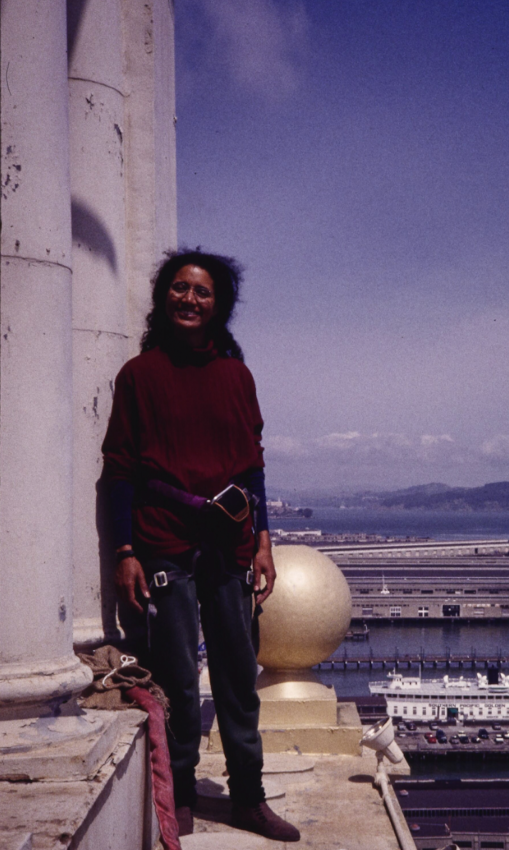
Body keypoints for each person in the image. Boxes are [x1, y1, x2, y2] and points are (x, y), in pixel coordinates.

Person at [102, 249, 300, 842]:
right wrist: (124, 552)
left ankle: (248, 798)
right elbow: (118, 470)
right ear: (165, 297)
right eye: (180, 289)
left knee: (239, 677)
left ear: (220, 305)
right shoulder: (140, 374)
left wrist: (264, 541)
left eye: (203, 292)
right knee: (179, 678)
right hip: (165, 541)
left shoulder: (237, 376)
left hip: (232, 546)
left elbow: (253, 466)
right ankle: (181, 794)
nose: (190, 299)